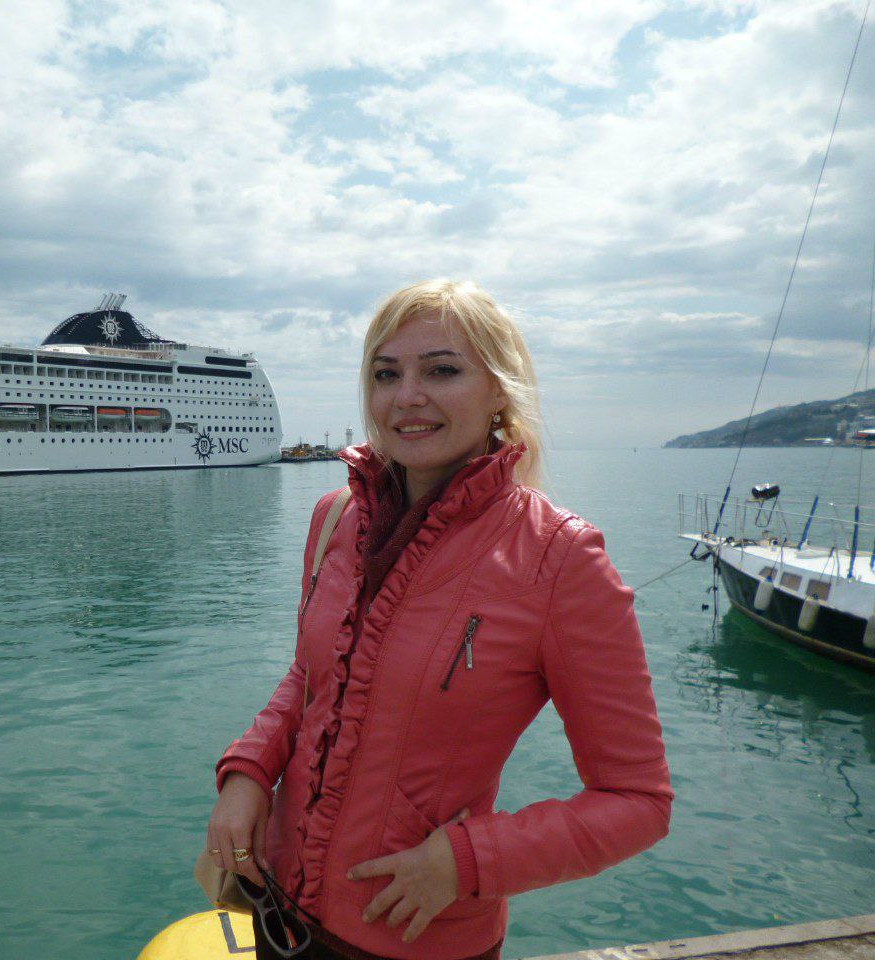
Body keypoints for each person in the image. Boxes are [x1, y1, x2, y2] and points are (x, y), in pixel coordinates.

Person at [207, 279, 672, 960]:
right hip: (279, 911)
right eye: (385, 374)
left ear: (500, 391)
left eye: (442, 370)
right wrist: (248, 773)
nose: (407, 396)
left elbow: (638, 801)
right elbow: (310, 680)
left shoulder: (559, 558)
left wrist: (467, 860)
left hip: (417, 937)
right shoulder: (335, 518)